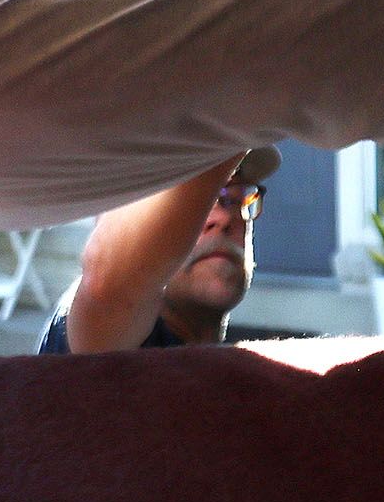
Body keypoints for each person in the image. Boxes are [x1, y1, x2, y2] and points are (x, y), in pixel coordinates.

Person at [37, 145, 280, 354]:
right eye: (194, 197)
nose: (225, 217)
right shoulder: (94, 330)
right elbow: (106, 285)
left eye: (239, 199)